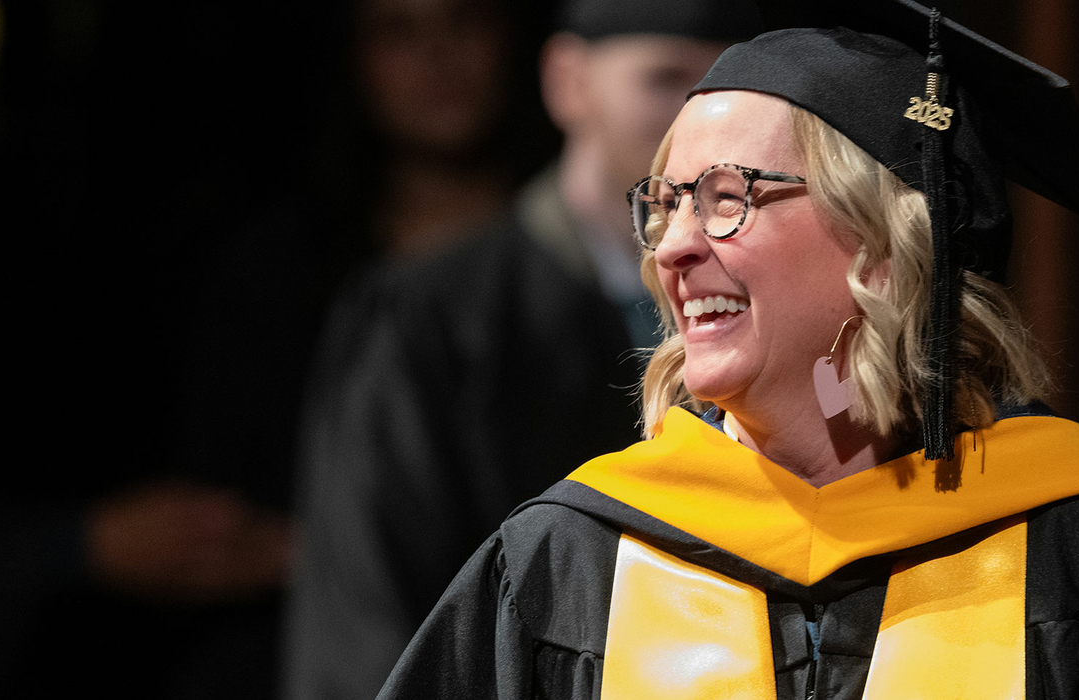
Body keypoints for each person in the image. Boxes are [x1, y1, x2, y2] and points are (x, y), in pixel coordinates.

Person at [374, 1, 1079, 698]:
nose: (674, 247)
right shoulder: (565, 566)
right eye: (666, 203)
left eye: (726, 197)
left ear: (885, 247)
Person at [280, 2, 761, 698]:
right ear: (568, 81)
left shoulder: (777, 312)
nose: (701, 115)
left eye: (725, 83)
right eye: (664, 80)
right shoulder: (430, 322)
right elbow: (366, 613)